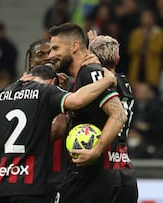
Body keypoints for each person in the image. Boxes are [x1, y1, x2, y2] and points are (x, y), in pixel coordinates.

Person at [0, 63, 117, 203]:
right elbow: (78, 100)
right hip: (31, 186)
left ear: (26, 76)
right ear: (53, 82)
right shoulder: (45, 91)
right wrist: (107, 80)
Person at [48, 22, 127, 203]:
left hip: (91, 174)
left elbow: (119, 114)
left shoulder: (90, 72)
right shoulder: (81, 77)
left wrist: (96, 150)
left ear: (74, 46)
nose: (51, 55)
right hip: (93, 172)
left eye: (55, 48)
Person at [89, 34, 138, 202]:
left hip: (102, 165)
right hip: (124, 163)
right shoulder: (125, 83)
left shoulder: (99, 82)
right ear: (118, 58)